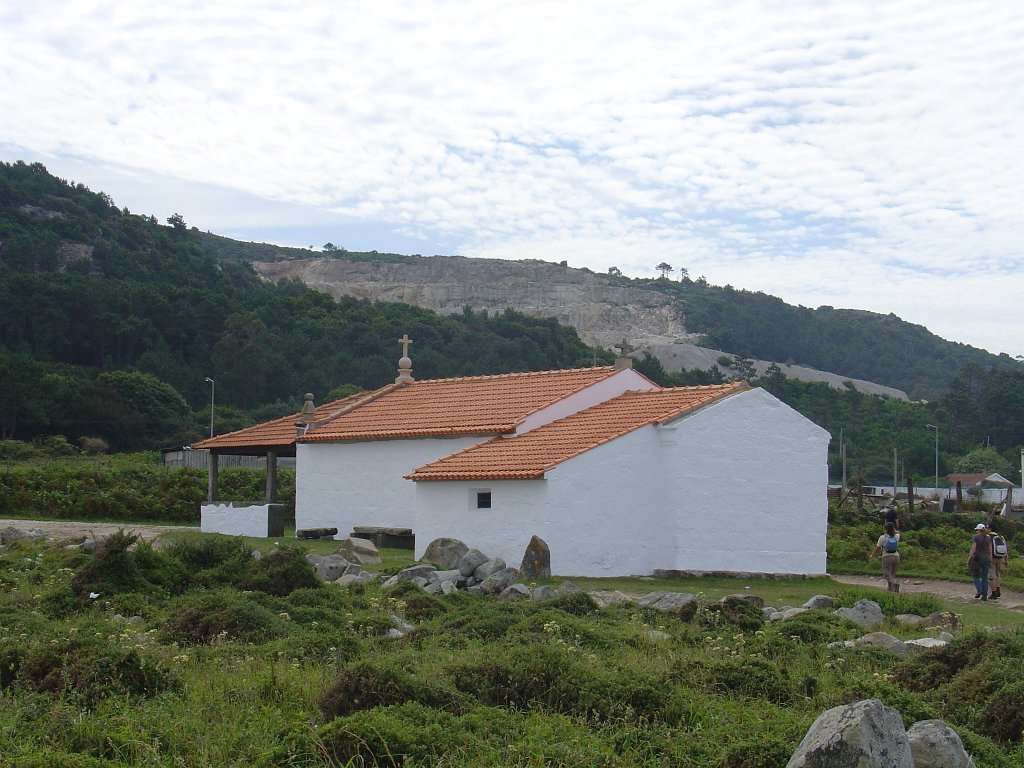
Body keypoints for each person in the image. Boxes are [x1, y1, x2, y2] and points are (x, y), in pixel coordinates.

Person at [870, 521, 901, 592]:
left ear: (885, 529)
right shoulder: (896, 536)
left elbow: (877, 548)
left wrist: (872, 555)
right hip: (896, 556)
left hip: (887, 557)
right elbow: (898, 532)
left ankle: (895, 584)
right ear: (893, 529)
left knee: (886, 574)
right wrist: (894, 531)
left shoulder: (882, 537)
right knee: (892, 574)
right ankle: (890, 589)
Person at [967, 522, 993, 600]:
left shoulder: (976, 537)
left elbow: (973, 549)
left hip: (978, 558)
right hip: (987, 558)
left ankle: (980, 589)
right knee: (985, 577)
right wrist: (990, 558)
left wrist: (969, 558)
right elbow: (990, 549)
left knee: (975, 575)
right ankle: (984, 595)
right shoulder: (988, 538)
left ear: (978, 530)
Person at [986, 522, 1008, 600]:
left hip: (991, 558)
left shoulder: (988, 537)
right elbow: (1005, 548)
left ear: (990, 529)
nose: (986, 529)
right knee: (997, 574)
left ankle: (993, 593)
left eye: (987, 528)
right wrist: (1006, 560)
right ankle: (998, 590)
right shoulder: (1001, 537)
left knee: (991, 576)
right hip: (1000, 557)